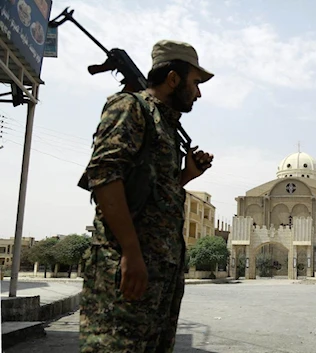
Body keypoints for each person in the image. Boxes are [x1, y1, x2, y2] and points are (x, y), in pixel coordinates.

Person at [78, 39, 215, 352]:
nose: (199, 92)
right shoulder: (129, 107)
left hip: (159, 275)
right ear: (172, 79)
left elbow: (153, 195)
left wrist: (187, 176)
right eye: (195, 82)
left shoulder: (164, 126)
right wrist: (131, 252)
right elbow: (103, 177)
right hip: (127, 272)